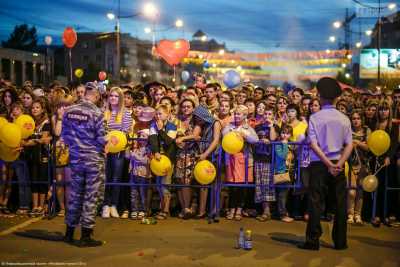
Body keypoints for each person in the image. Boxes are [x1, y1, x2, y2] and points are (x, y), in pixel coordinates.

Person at [298, 77, 352, 251]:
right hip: (339, 164)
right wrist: (338, 164)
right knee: (340, 205)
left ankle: (312, 241)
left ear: (320, 96)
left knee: (315, 203)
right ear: (336, 97)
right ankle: (340, 242)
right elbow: (349, 144)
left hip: (319, 164)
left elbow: (313, 144)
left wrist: (328, 163)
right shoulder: (345, 118)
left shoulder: (315, 117)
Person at [61, 82, 106, 247]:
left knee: (75, 195)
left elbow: (64, 135)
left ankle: (69, 233)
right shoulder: (97, 113)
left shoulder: (69, 111)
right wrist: (111, 140)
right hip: (93, 161)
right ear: (96, 95)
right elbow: (102, 139)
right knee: (90, 197)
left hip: (75, 159)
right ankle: (86, 236)